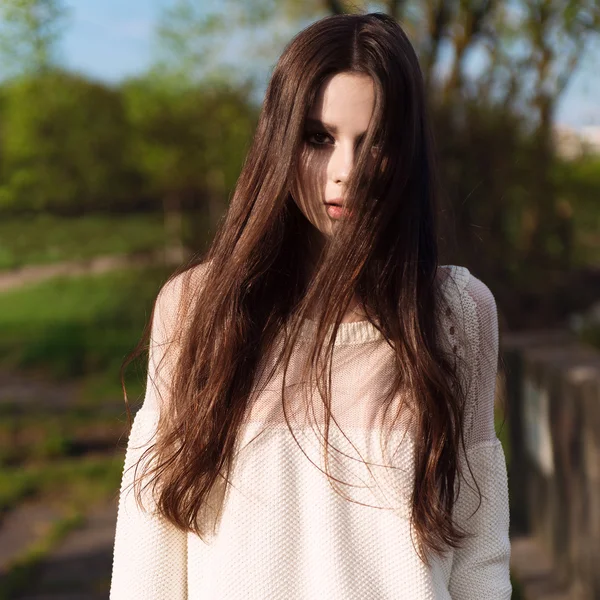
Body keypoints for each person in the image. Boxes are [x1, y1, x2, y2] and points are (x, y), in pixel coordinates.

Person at [110, 12, 511, 599]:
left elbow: (480, 555)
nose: (345, 171)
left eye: (373, 142)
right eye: (319, 138)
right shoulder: (197, 309)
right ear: (280, 139)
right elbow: (151, 554)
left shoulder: (455, 315)